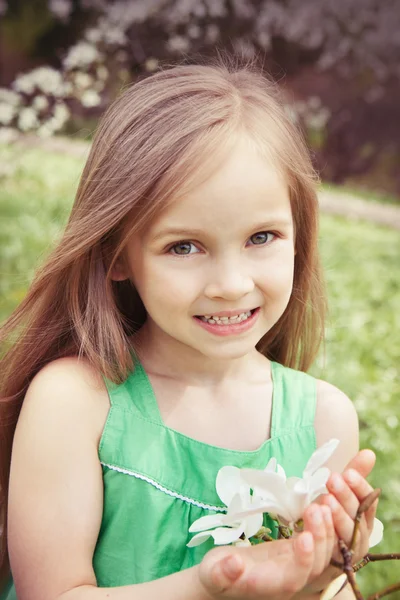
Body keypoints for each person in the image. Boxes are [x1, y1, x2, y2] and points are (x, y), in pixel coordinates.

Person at [0, 57, 378, 600]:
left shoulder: (324, 419)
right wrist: (206, 586)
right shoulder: (76, 403)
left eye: (262, 237)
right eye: (184, 246)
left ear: (301, 234)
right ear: (117, 255)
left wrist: (322, 577)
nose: (230, 283)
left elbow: (331, 588)